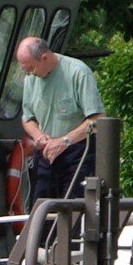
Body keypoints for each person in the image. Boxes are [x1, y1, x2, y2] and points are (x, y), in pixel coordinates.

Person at [12, 36, 103, 209]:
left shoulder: (78, 72)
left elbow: (97, 119)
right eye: (25, 69)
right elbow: (27, 118)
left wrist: (64, 141)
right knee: (40, 210)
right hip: (46, 152)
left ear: (45, 57)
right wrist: (38, 136)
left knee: (72, 209)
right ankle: (41, 236)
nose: (29, 73)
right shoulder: (30, 80)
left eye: (31, 67)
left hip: (76, 152)